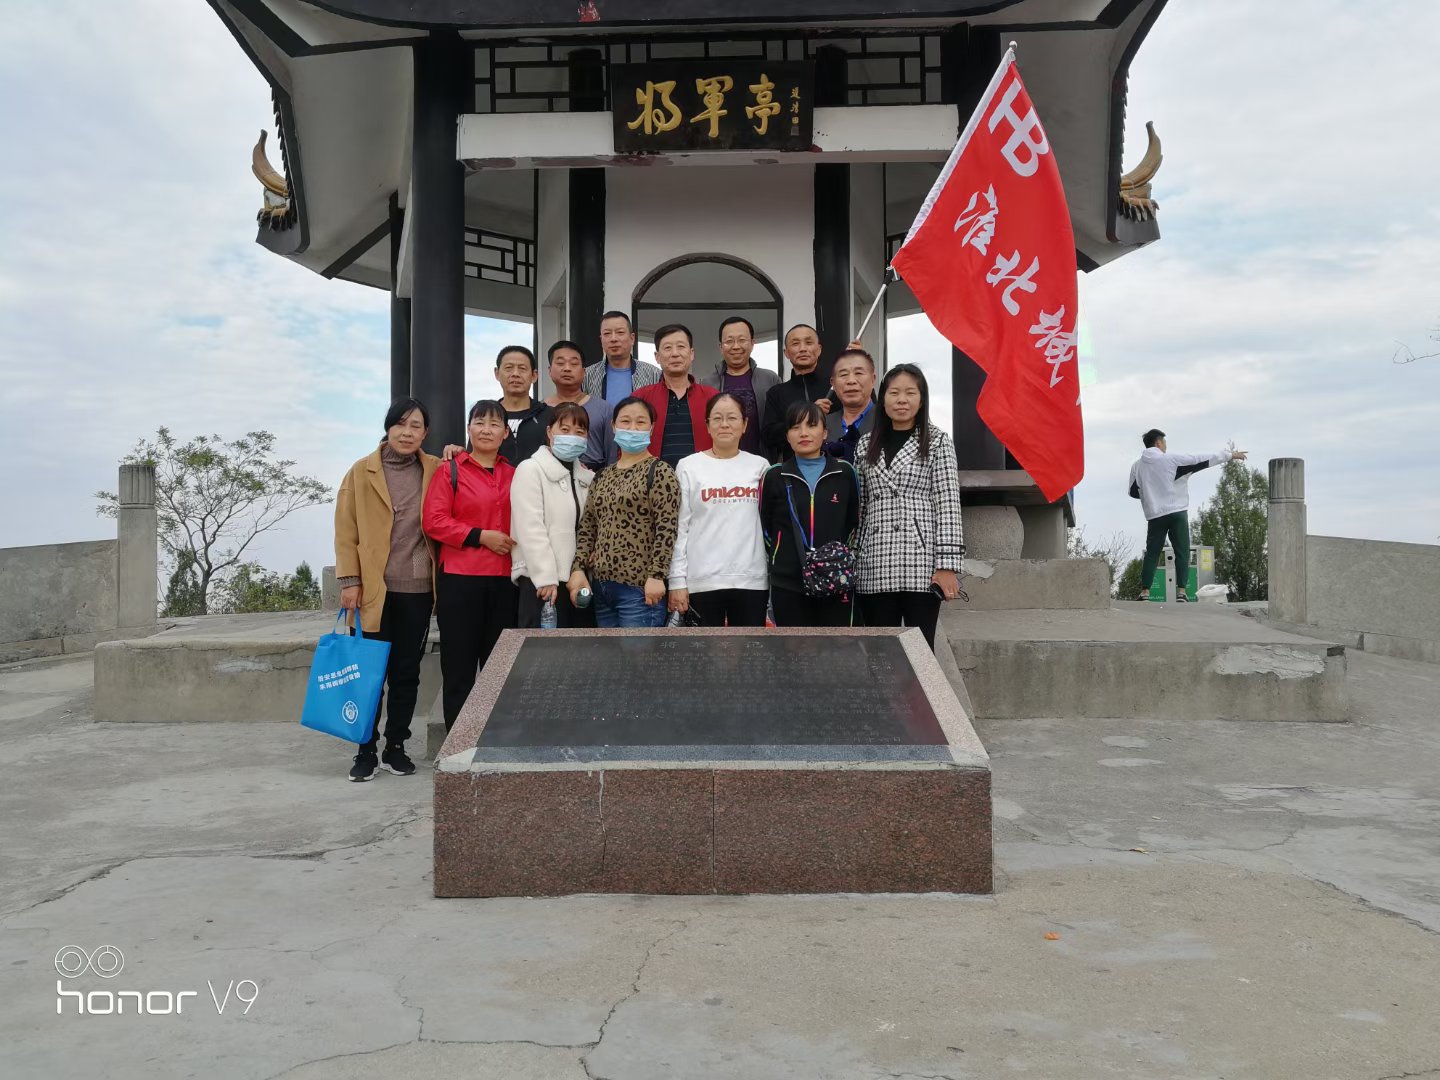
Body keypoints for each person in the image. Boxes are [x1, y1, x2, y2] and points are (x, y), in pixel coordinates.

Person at [334, 397, 441, 782]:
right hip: (371, 591)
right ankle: (365, 750)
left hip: (417, 590)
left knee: (406, 672)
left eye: (416, 426)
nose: (407, 432)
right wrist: (350, 581)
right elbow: (345, 529)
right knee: (369, 675)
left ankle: (396, 746)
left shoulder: (435, 469)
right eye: (401, 424)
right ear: (388, 427)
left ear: (425, 433)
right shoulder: (361, 471)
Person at [422, 400, 519, 731]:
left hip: (505, 582)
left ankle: (493, 741)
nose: (486, 429)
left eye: (494, 424)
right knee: (459, 669)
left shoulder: (516, 475)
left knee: (498, 669)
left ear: (505, 433)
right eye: (479, 422)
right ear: (468, 429)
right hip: (460, 581)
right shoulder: (450, 471)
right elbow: (434, 521)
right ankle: (458, 742)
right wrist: (480, 536)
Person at [854, 364, 964, 650]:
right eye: (894, 393)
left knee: (921, 650)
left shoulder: (937, 441)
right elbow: (859, 507)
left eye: (910, 393)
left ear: (922, 399)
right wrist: (854, 558)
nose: (901, 400)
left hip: (920, 561)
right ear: (883, 398)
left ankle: (920, 686)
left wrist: (947, 566)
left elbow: (948, 503)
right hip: (874, 560)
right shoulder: (865, 445)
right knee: (879, 651)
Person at [568, 396, 680, 627]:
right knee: (609, 652)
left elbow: (667, 529)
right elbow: (588, 527)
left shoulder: (660, 471)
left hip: (639, 589)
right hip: (602, 587)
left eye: (640, 422)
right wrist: (578, 568)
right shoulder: (602, 475)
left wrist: (657, 575)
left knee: (637, 651)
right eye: (625, 421)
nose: (632, 428)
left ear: (652, 428)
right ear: (613, 426)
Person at [668, 393, 770, 628]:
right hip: (702, 580)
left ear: (745, 424)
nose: (725, 424)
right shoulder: (688, 466)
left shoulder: (760, 466)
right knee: (704, 650)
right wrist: (677, 581)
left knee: (749, 649)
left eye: (732, 418)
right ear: (707, 425)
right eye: (717, 418)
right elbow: (680, 528)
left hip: (751, 580)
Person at [761, 400, 861, 627]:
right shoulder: (775, 475)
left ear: (825, 432)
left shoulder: (845, 472)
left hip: (835, 576)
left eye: (811, 425)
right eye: (795, 427)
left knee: (835, 645)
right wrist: (781, 555)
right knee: (792, 646)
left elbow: (853, 522)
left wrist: (834, 556)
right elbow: (766, 527)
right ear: (787, 436)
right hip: (787, 580)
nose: (803, 433)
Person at [1129, 429, 1247, 602]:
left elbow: (1133, 491)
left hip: (1154, 516)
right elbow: (1200, 459)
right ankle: (1182, 592)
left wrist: (1151, 494)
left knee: (1152, 553)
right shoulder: (1171, 459)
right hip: (1177, 512)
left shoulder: (1137, 466)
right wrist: (1229, 455)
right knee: (1182, 551)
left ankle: (1145, 592)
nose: (1165, 447)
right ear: (1158, 443)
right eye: (1164, 443)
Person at [510, 402, 596, 629]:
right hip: (543, 582)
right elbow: (530, 528)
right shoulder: (530, 469)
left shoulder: (587, 477)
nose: (572, 437)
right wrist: (545, 577)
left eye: (579, 432)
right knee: (541, 648)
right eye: (564, 429)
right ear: (549, 432)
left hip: (578, 581)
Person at [634, 324, 718, 468]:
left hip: (703, 477)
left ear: (691, 354)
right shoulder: (641, 398)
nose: (675, 354)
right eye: (667, 348)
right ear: (657, 357)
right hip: (653, 478)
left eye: (681, 346)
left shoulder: (713, 398)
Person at [700, 316, 780, 457]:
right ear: (720, 347)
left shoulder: (770, 379)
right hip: (719, 462)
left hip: (761, 462)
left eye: (742, 340)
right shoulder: (707, 383)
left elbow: (779, 426)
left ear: (752, 343)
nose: (736, 346)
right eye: (729, 341)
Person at [762, 323, 834, 462]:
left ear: (819, 349)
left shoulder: (835, 386)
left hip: (834, 464)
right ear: (786, 353)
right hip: (793, 468)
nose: (802, 349)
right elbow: (768, 436)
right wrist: (806, 415)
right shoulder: (776, 393)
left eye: (808, 343)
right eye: (795, 344)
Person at [544, 339, 613, 471]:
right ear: (550, 370)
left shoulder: (604, 409)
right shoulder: (540, 410)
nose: (567, 368)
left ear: (584, 372)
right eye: (560, 363)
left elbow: (612, 456)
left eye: (574, 364)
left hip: (594, 477)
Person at [581, 310, 662, 404]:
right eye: (607, 333)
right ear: (601, 340)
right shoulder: (586, 376)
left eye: (620, 332)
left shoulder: (654, 374)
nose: (613, 339)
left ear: (632, 338)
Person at [495, 345, 550, 465]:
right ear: (497, 373)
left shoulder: (551, 416)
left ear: (534, 375)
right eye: (508, 368)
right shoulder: (485, 416)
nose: (515, 374)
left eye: (522, 368)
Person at [825, 346, 878, 462]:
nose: (851, 381)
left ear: (873, 379)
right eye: (843, 374)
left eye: (858, 373)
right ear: (833, 383)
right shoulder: (822, 424)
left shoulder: (888, 420)